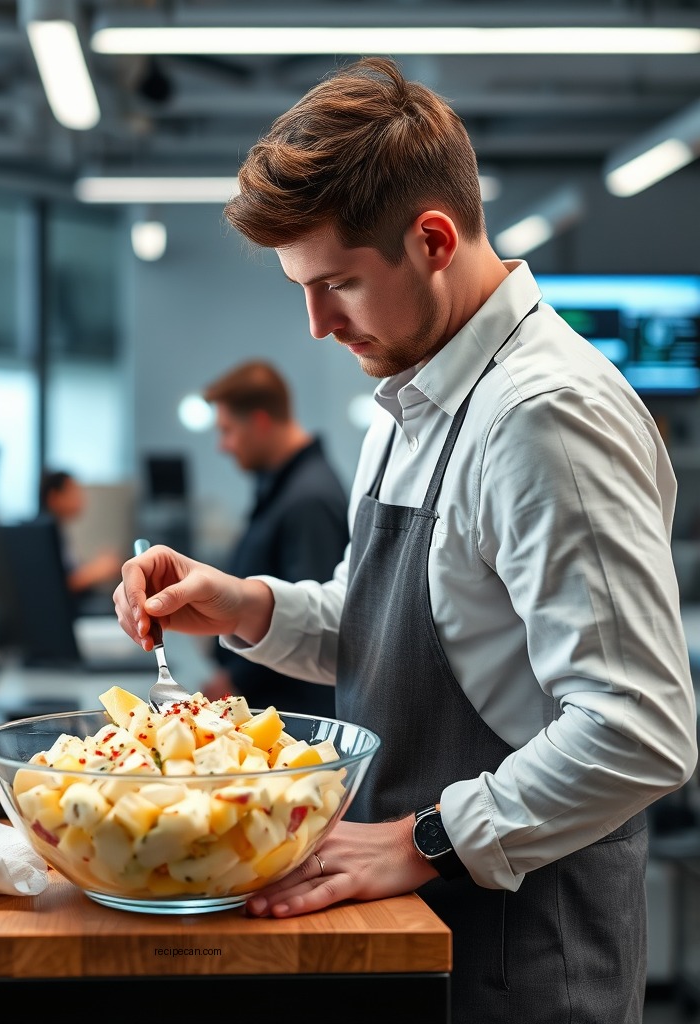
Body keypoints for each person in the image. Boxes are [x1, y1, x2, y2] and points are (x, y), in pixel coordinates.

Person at [114, 57, 697, 1023]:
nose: (314, 325)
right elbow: (390, 621)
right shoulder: (412, 392)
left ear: (432, 240)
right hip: (420, 932)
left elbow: (639, 730)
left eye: (337, 283)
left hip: (523, 955)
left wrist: (421, 840)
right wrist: (248, 604)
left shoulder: (545, 416)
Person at [200, 360, 348, 717]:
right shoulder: (285, 489)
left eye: (228, 430)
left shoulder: (309, 498)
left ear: (261, 422)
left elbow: (313, 621)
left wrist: (236, 680)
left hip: (292, 717)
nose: (223, 446)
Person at [39, 469, 123, 611]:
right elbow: (54, 584)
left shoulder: (58, 530)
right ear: (54, 497)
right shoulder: (45, 535)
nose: (81, 498)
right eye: (73, 492)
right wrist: (97, 571)